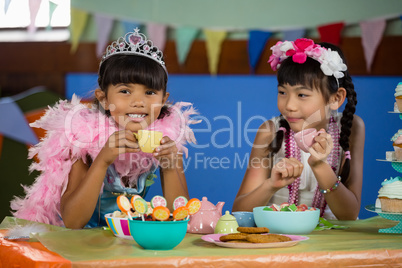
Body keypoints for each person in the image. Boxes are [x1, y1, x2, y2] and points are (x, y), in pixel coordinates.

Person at [11, 28, 199, 228]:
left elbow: (182, 218)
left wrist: (170, 166)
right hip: (84, 246)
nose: (138, 102)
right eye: (125, 91)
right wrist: (102, 160)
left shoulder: (166, 141)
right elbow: (73, 222)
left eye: (150, 92)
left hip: (129, 245)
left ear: (163, 100)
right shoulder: (82, 140)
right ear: (104, 99)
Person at [232, 38, 364, 220]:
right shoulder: (269, 131)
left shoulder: (351, 127)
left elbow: (349, 214)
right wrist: (270, 185)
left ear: (336, 98)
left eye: (302, 95)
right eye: (282, 92)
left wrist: (320, 166)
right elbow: (239, 211)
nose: (289, 106)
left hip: (333, 239)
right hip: (279, 237)